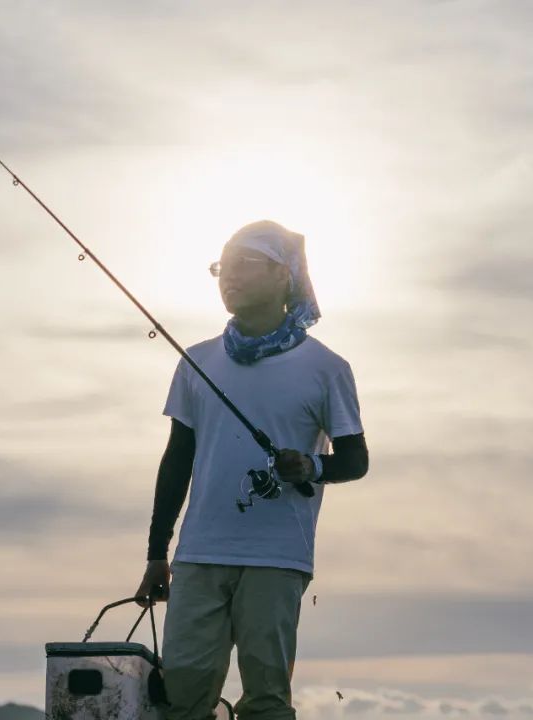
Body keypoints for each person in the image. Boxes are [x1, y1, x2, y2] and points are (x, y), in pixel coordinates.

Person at [134, 220, 369, 720]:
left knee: (265, 701)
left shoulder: (326, 368)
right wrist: (158, 552)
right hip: (198, 554)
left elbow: (354, 461)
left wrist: (309, 465)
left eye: (245, 264)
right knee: (180, 700)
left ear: (285, 276)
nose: (228, 277)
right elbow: (177, 461)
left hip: (277, 556)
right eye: (222, 266)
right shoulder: (197, 362)